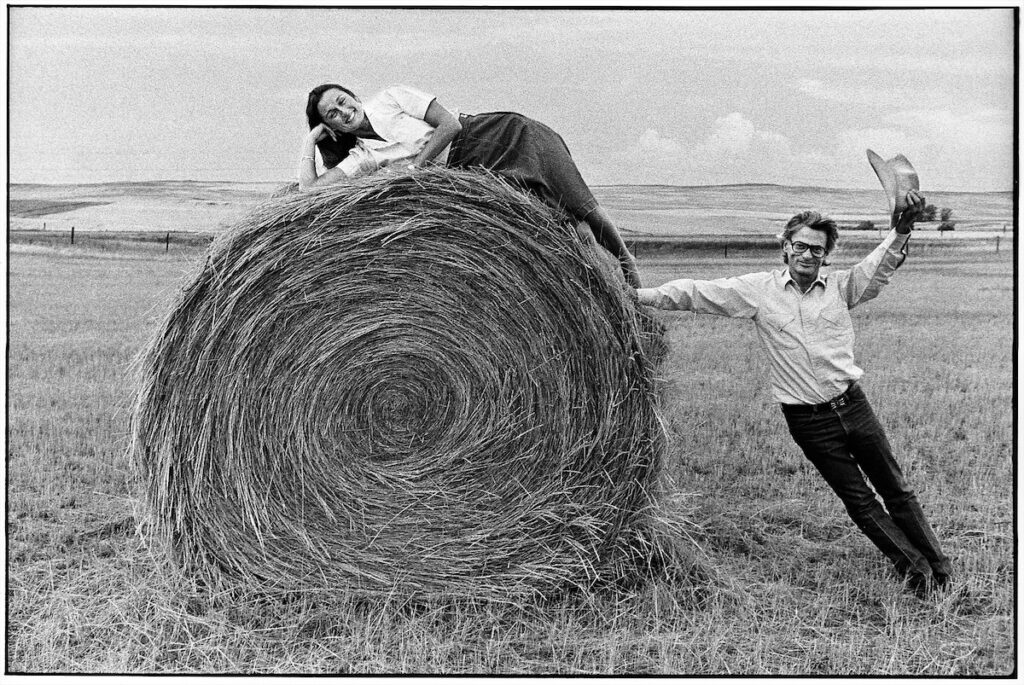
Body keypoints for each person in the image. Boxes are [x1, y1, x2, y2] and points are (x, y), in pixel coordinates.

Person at [636, 191, 952, 597]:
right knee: (859, 501)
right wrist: (637, 296)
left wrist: (903, 228)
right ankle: (915, 570)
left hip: (854, 406)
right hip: (808, 421)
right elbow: (696, 292)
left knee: (897, 490)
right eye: (800, 246)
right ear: (785, 247)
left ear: (826, 255)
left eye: (816, 250)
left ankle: (940, 568)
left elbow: (880, 266)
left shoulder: (843, 287)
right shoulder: (758, 291)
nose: (807, 255)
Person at [297, 83, 641, 287]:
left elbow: (449, 126)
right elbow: (309, 192)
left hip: (496, 136)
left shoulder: (390, 98)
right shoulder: (362, 157)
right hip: (471, 176)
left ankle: (627, 265)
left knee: (576, 202)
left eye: (342, 101)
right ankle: (602, 290)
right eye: (331, 115)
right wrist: (310, 142)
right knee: (561, 223)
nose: (342, 112)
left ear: (352, 96)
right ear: (333, 128)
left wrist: (416, 168)